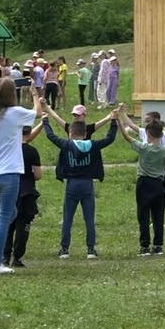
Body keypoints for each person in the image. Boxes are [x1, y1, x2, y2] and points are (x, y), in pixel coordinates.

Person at [0, 78, 42, 276]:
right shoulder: (16, 113)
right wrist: (35, 93)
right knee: (5, 216)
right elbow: (38, 113)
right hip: (10, 172)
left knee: (9, 213)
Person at [44, 111, 119, 259]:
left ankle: (64, 249)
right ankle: (91, 250)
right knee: (89, 218)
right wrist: (113, 122)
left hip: (72, 184)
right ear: (85, 134)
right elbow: (110, 138)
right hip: (87, 184)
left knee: (68, 217)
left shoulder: (67, 145)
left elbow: (51, 136)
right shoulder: (93, 144)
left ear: (70, 133)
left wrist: (46, 122)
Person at [117, 117, 165, 256]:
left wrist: (118, 121)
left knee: (143, 215)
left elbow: (127, 137)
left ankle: (144, 246)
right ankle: (158, 245)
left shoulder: (144, 148)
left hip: (144, 183)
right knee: (158, 216)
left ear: (148, 134)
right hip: (159, 184)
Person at [119, 105, 165, 219]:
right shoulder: (145, 131)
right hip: (148, 164)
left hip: (158, 168)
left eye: (148, 121)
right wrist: (123, 113)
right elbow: (131, 125)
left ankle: (160, 215)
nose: (146, 124)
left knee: (161, 195)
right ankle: (153, 218)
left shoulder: (162, 135)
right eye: (145, 122)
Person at [3, 125, 43, 267]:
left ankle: (5, 255)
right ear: (29, 133)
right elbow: (38, 175)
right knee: (23, 225)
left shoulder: (8, 149)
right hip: (26, 191)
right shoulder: (32, 151)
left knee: (7, 224)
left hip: (10, 189)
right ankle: (17, 257)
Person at [41, 101, 111, 141]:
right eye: (74, 115)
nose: (76, 117)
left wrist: (111, 116)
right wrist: (46, 107)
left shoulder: (89, 128)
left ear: (84, 115)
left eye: (78, 115)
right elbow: (56, 117)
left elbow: (104, 120)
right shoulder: (69, 127)